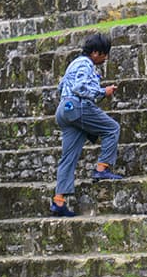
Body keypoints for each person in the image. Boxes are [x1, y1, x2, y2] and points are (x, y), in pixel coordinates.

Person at [51, 32, 123, 217]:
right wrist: (102, 92)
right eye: (104, 54)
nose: (105, 58)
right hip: (77, 106)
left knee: (68, 157)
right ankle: (102, 168)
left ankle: (58, 201)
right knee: (112, 128)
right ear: (96, 53)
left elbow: (61, 88)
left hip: (63, 110)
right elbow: (80, 87)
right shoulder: (86, 64)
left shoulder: (73, 63)